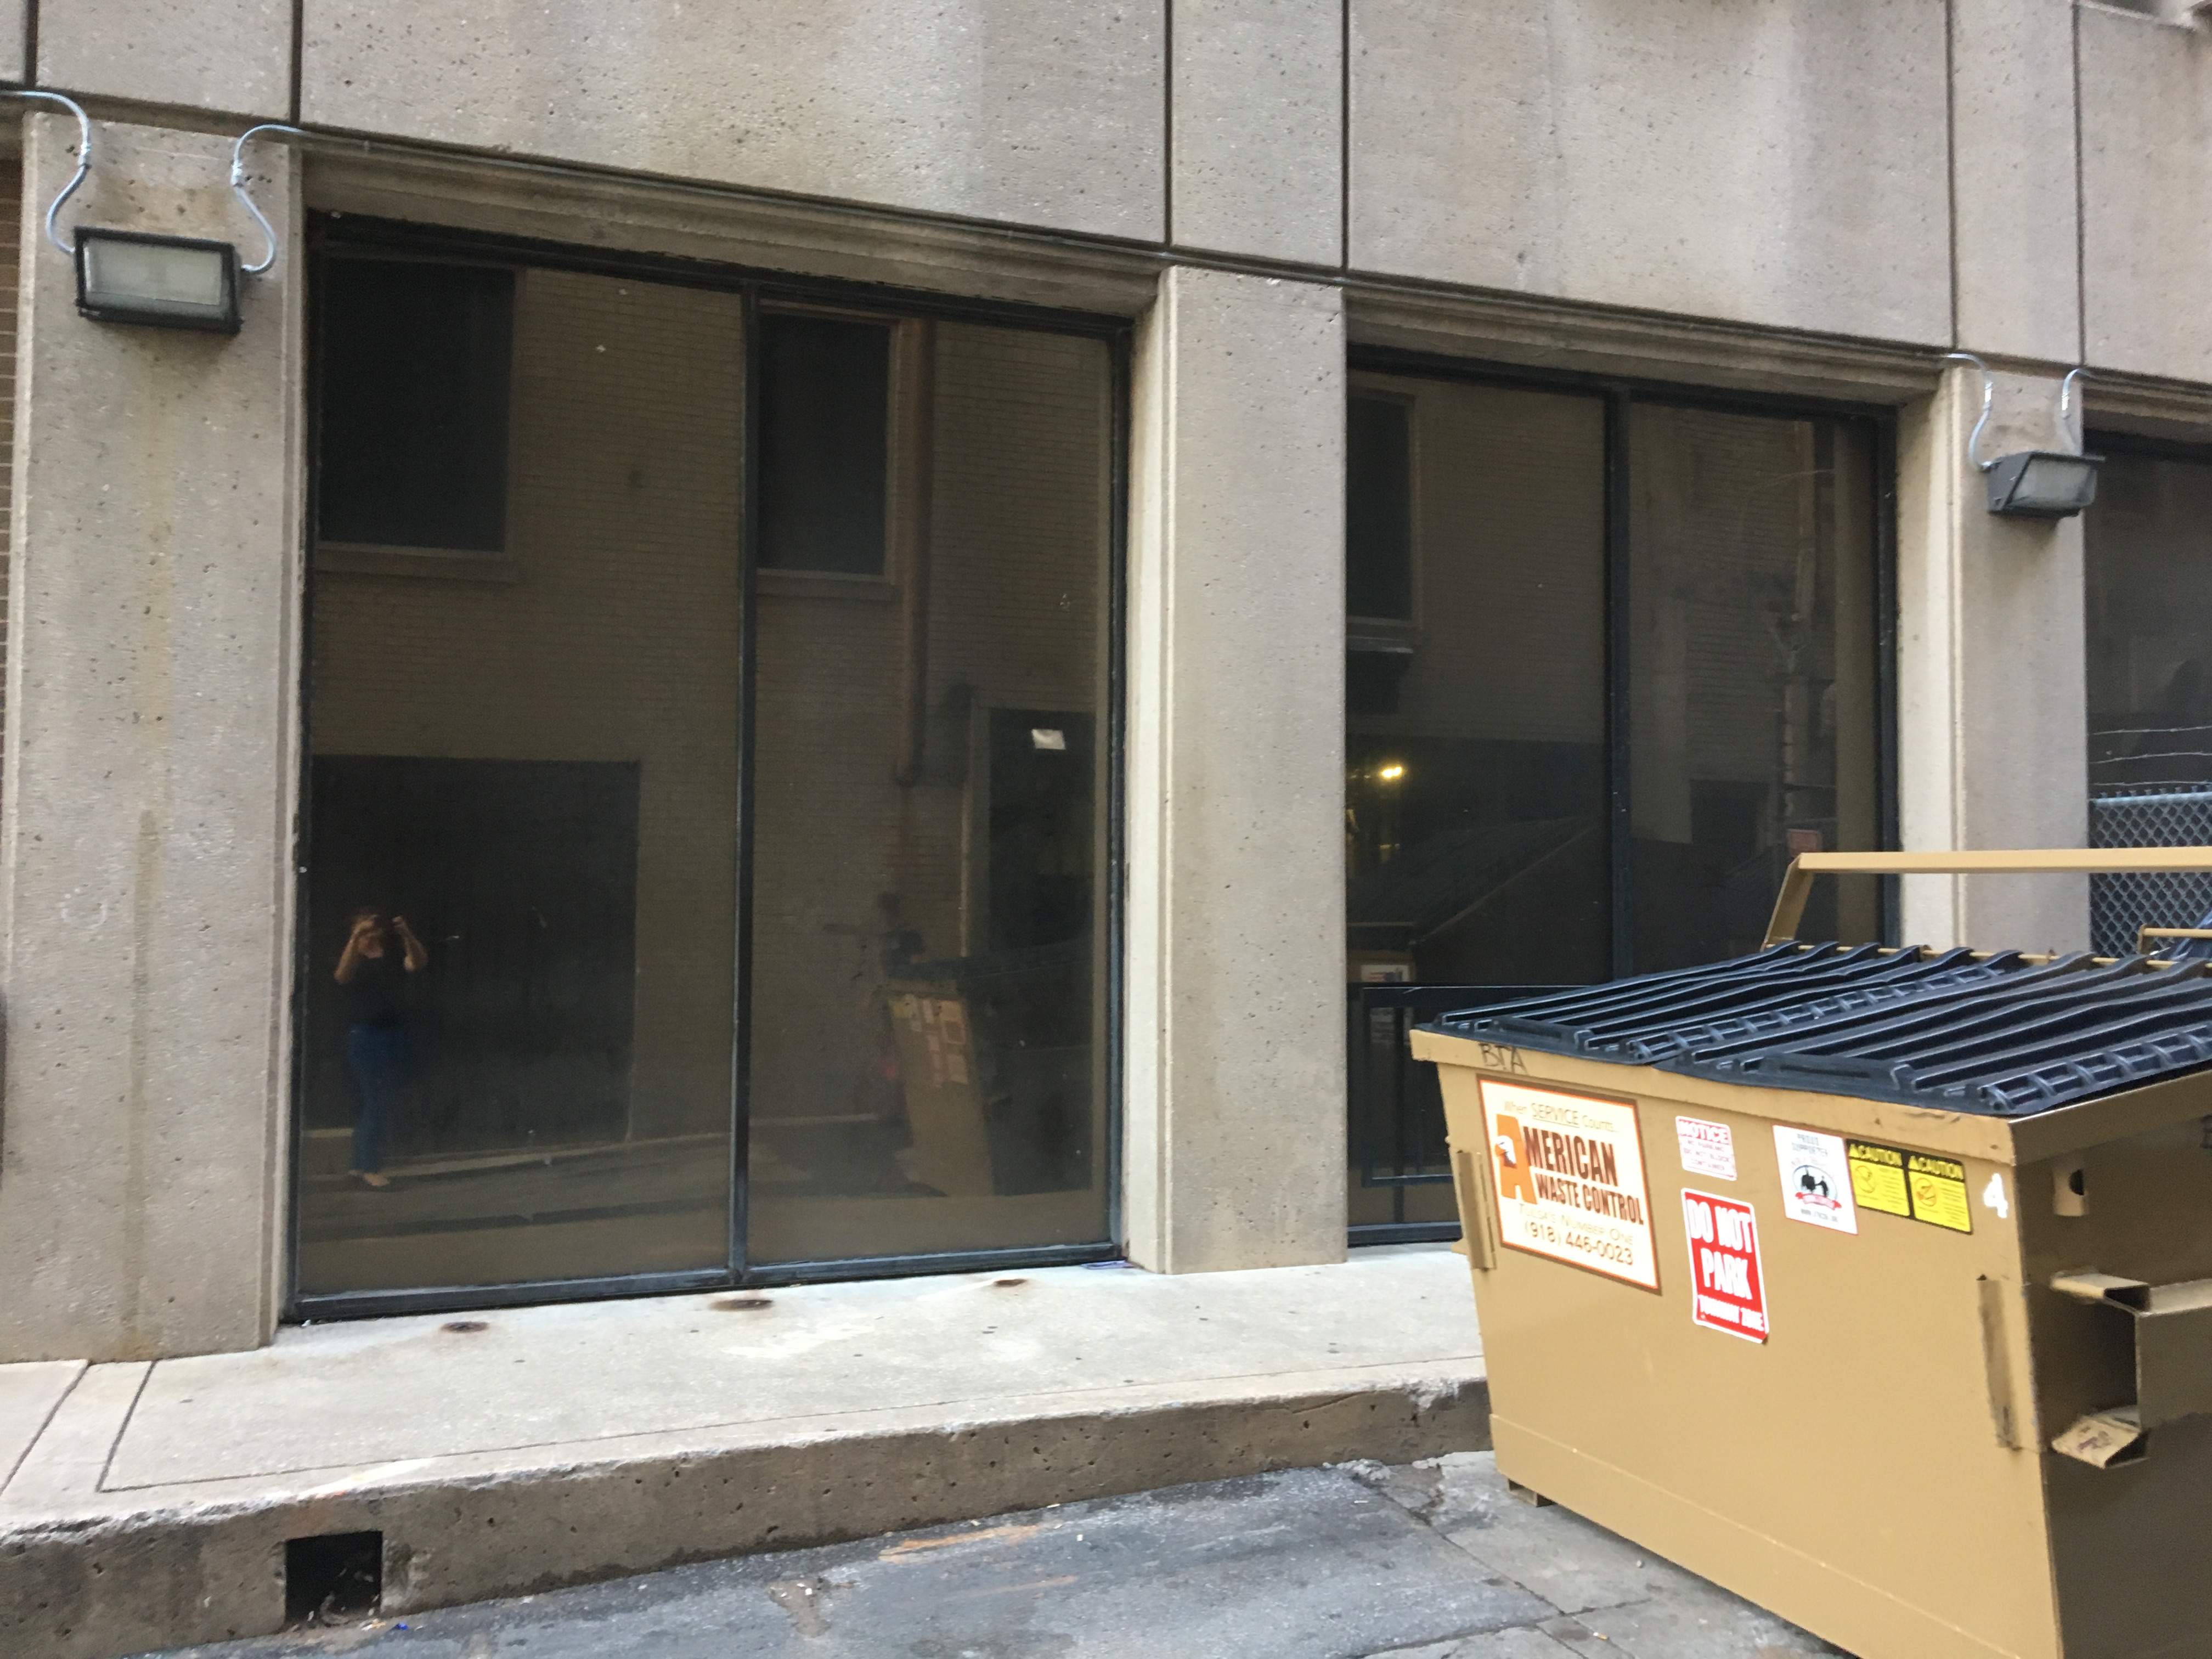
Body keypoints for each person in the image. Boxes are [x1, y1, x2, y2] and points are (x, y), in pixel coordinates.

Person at [335, 907, 428, 1187]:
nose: (372, 934)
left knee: (378, 1099)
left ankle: (358, 1165)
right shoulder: (354, 958)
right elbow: (342, 976)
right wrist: (355, 939)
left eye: (374, 929)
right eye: (365, 930)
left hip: (392, 1034)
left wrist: (406, 934)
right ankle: (370, 1167)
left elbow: (418, 963)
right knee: (376, 1098)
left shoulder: (391, 957)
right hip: (365, 1035)